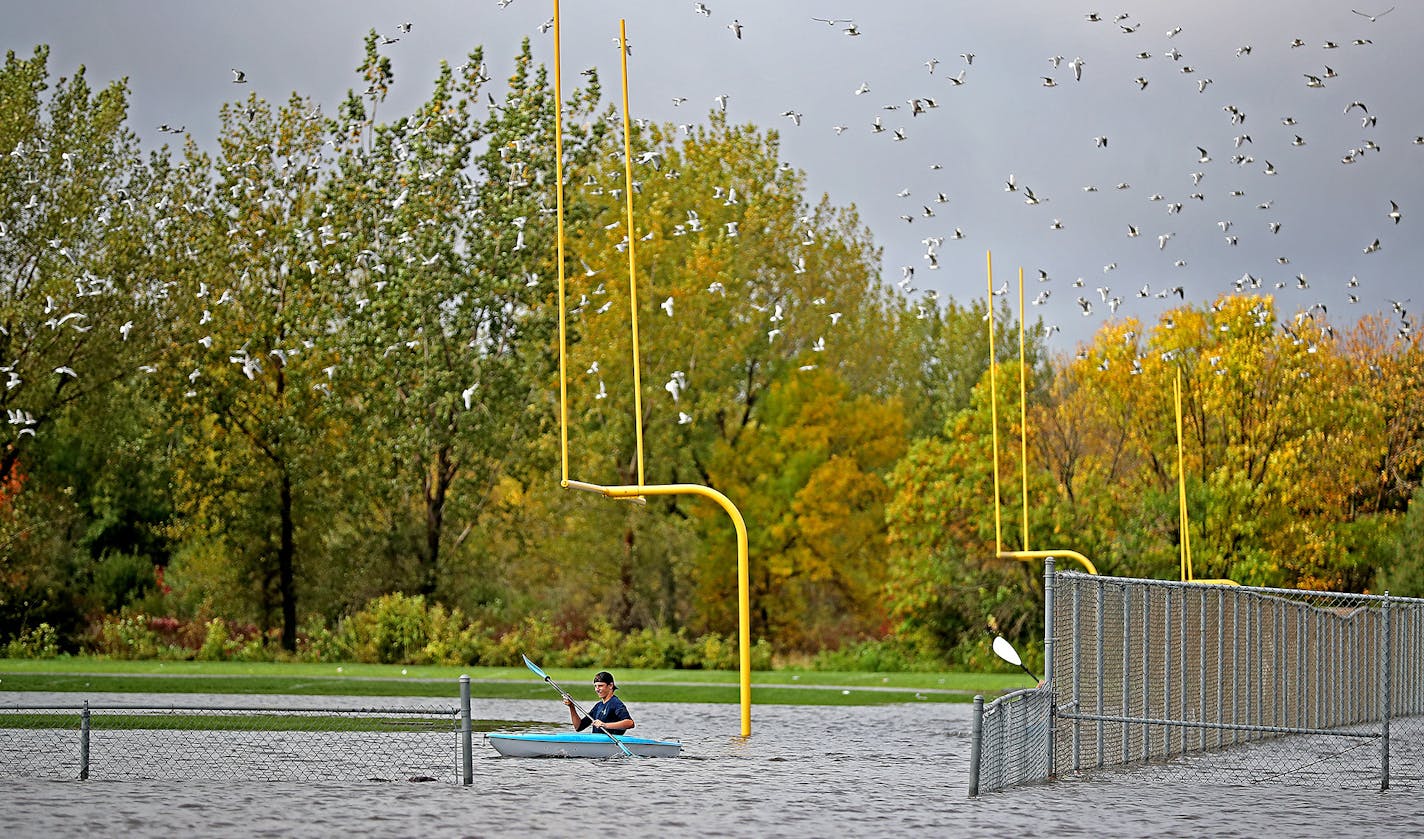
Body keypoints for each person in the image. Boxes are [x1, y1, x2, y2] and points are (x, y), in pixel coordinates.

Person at [566, 670, 635, 735]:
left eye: (600, 686)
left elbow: (630, 723)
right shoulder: (598, 706)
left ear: (610, 685)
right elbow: (578, 727)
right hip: (596, 743)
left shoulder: (615, 703)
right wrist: (572, 706)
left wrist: (604, 725)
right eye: (595, 686)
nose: (597, 689)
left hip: (610, 744)